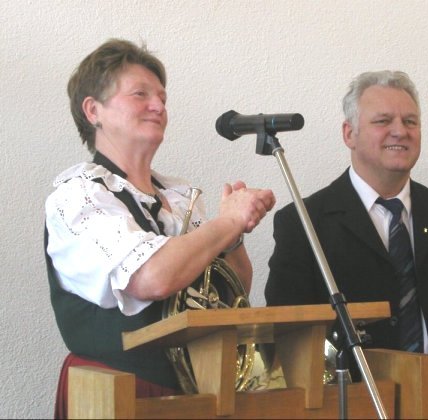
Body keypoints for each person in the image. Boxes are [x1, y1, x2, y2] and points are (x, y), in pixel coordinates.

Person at [44, 38, 275, 419]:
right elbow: (150, 278)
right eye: (141, 95)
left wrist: (234, 234)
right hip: (117, 393)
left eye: (163, 98)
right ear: (93, 110)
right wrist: (227, 221)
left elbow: (230, 292)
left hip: (198, 390)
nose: (159, 107)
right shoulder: (79, 195)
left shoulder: (180, 194)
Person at [264, 70, 428, 419]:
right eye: (383, 120)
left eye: (410, 121)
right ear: (350, 133)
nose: (400, 130)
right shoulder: (303, 223)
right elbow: (288, 337)